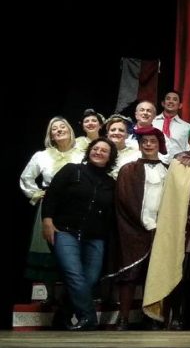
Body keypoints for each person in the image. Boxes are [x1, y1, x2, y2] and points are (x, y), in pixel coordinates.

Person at [143, 124, 190, 329]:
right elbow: (172, 196)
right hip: (184, 224)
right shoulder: (179, 162)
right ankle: (175, 316)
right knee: (181, 269)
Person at [41, 137, 117, 330]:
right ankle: (89, 318)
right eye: (95, 148)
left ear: (110, 157)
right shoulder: (71, 170)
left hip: (95, 237)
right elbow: (51, 196)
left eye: (104, 151)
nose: (98, 152)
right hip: (65, 231)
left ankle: (62, 315)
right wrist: (47, 220)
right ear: (89, 151)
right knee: (74, 273)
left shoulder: (111, 183)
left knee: (90, 279)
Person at [108, 126, 168, 329]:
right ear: (140, 145)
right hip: (133, 229)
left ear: (159, 145)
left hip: (162, 230)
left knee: (156, 274)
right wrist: (146, 224)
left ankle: (152, 316)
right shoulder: (128, 169)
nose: (149, 145)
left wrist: (163, 226)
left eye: (153, 141)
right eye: (145, 142)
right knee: (130, 274)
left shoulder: (168, 170)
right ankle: (123, 317)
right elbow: (124, 200)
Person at [20, 117, 84, 292]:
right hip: (50, 207)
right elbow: (26, 177)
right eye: (54, 129)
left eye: (63, 126)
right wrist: (37, 194)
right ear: (51, 135)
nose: (59, 130)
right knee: (49, 247)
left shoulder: (82, 154)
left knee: (73, 249)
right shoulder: (42, 156)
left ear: (70, 131)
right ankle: (50, 295)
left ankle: (71, 294)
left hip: (75, 206)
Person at [152, 90, 190, 162]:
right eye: (168, 99)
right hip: (152, 163)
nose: (171, 101)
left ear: (180, 105)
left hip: (176, 165)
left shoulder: (187, 127)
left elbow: (189, 150)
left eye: (175, 99)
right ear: (163, 103)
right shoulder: (151, 122)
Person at [104, 114, 142, 178]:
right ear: (107, 134)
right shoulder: (101, 153)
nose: (116, 133)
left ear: (127, 135)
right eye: (113, 130)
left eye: (121, 130)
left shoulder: (136, 155)